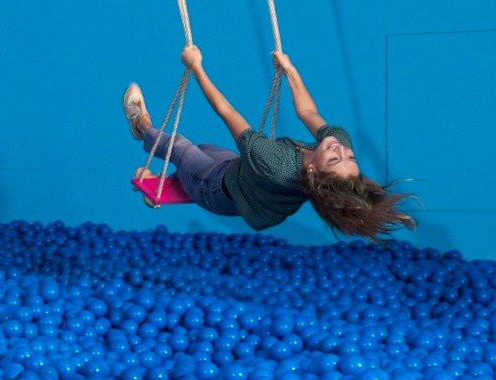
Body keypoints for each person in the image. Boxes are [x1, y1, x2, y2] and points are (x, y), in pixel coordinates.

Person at [124, 46, 415, 239]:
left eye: (334, 158)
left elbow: (226, 112)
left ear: (313, 172)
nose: (341, 150)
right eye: (350, 158)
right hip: (240, 175)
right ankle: (162, 187)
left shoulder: (276, 164)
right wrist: (290, 70)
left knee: (181, 147)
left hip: (219, 192)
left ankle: (142, 126)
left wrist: (196, 66)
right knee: (205, 151)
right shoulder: (337, 142)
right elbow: (308, 112)